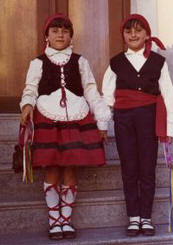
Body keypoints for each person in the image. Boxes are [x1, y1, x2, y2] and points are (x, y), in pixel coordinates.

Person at [20, 13, 111, 240]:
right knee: (52, 167)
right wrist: (27, 106)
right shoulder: (38, 62)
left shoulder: (80, 61)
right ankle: (54, 220)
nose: (60, 35)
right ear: (47, 36)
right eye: (55, 31)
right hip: (48, 118)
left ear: (71, 36)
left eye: (65, 31)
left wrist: (101, 120)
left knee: (71, 167)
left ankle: (66, 220)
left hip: (76, 119)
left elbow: (91, 90)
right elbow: (30, 88)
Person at [102, 14, 173, 236]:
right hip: (124, 120)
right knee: (129, 168)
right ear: (123, 36)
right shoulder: (115, 62)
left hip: (148, 119)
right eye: (128, 31)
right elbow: (107, 96)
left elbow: (168, 95)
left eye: (138, 30)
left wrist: (169, 128)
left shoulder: (158, 62)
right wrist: (102, 125)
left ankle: (146, 217)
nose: (133, 35)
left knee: (147, 167)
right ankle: (133, 217)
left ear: (146, 34)